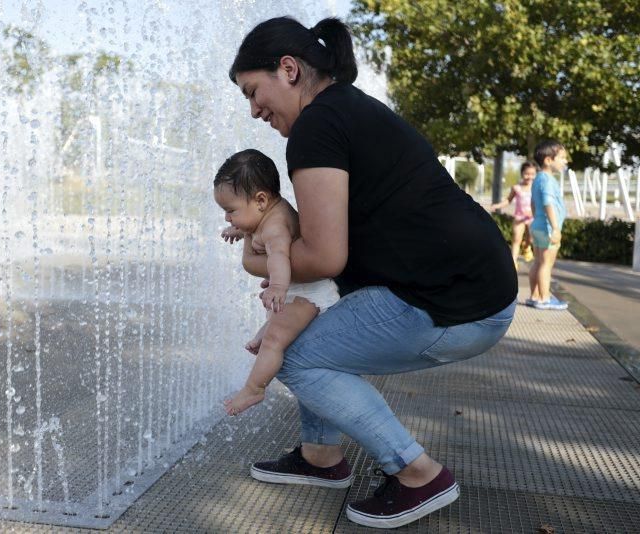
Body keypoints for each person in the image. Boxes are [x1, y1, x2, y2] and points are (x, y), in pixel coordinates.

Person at [228, 16, 517, 528]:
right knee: (313, 329)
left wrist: (252, 259)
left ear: (289, 69)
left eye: (254, 91)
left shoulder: (317, 127)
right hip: (474, 287)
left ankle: (417, 473)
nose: (254, 111)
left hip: (454, 304)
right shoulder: (347, 109)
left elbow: (323, 257)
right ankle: (320, 457)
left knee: (293, 353)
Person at [214, 149, 340, 416]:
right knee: (275, 315)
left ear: (260, 200)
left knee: (275, 341)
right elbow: (254, 228)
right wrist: (240, 228)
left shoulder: (274, 227)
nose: (227, 217)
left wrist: (278, 286)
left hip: (309, 293)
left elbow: (281, 256)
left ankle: (255, 388)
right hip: (302, 289)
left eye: (231, 211)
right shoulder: (267, 214)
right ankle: (266, 329)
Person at [527, 140, 569, 310]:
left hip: (538, 225)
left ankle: (535, 296)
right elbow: (548, 203)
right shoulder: (548, 180)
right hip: (548, 228)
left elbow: (533, 203)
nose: (565, 161)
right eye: (562, 158)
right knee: (546, 264)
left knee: (537, 262)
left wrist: (535, 219)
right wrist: (556, 228)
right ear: (548, 160)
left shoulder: (538, 179)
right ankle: (545, 298)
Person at [491, 161, 537, 269]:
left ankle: (526, 247)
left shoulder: (536, 187)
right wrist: (498, 205)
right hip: (519, 218)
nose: (529, 177)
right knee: (516, 240)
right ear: (522, 173)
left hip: (532, 218)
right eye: (527, 174)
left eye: (532, 174)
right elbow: (508, 200)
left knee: (530, 239)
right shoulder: (516, 188)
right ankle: (513, 262)